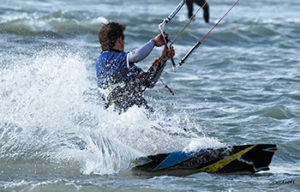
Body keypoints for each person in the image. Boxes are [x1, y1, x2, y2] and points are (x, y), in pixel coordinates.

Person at [96, 22, 175, 114]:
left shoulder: (121, 64)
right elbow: (136, 56)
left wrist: (163, 59)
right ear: (120, 40)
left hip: (139, 115)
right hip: (125, 116)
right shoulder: (106, 58)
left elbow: (149, 82)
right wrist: (153, 42)